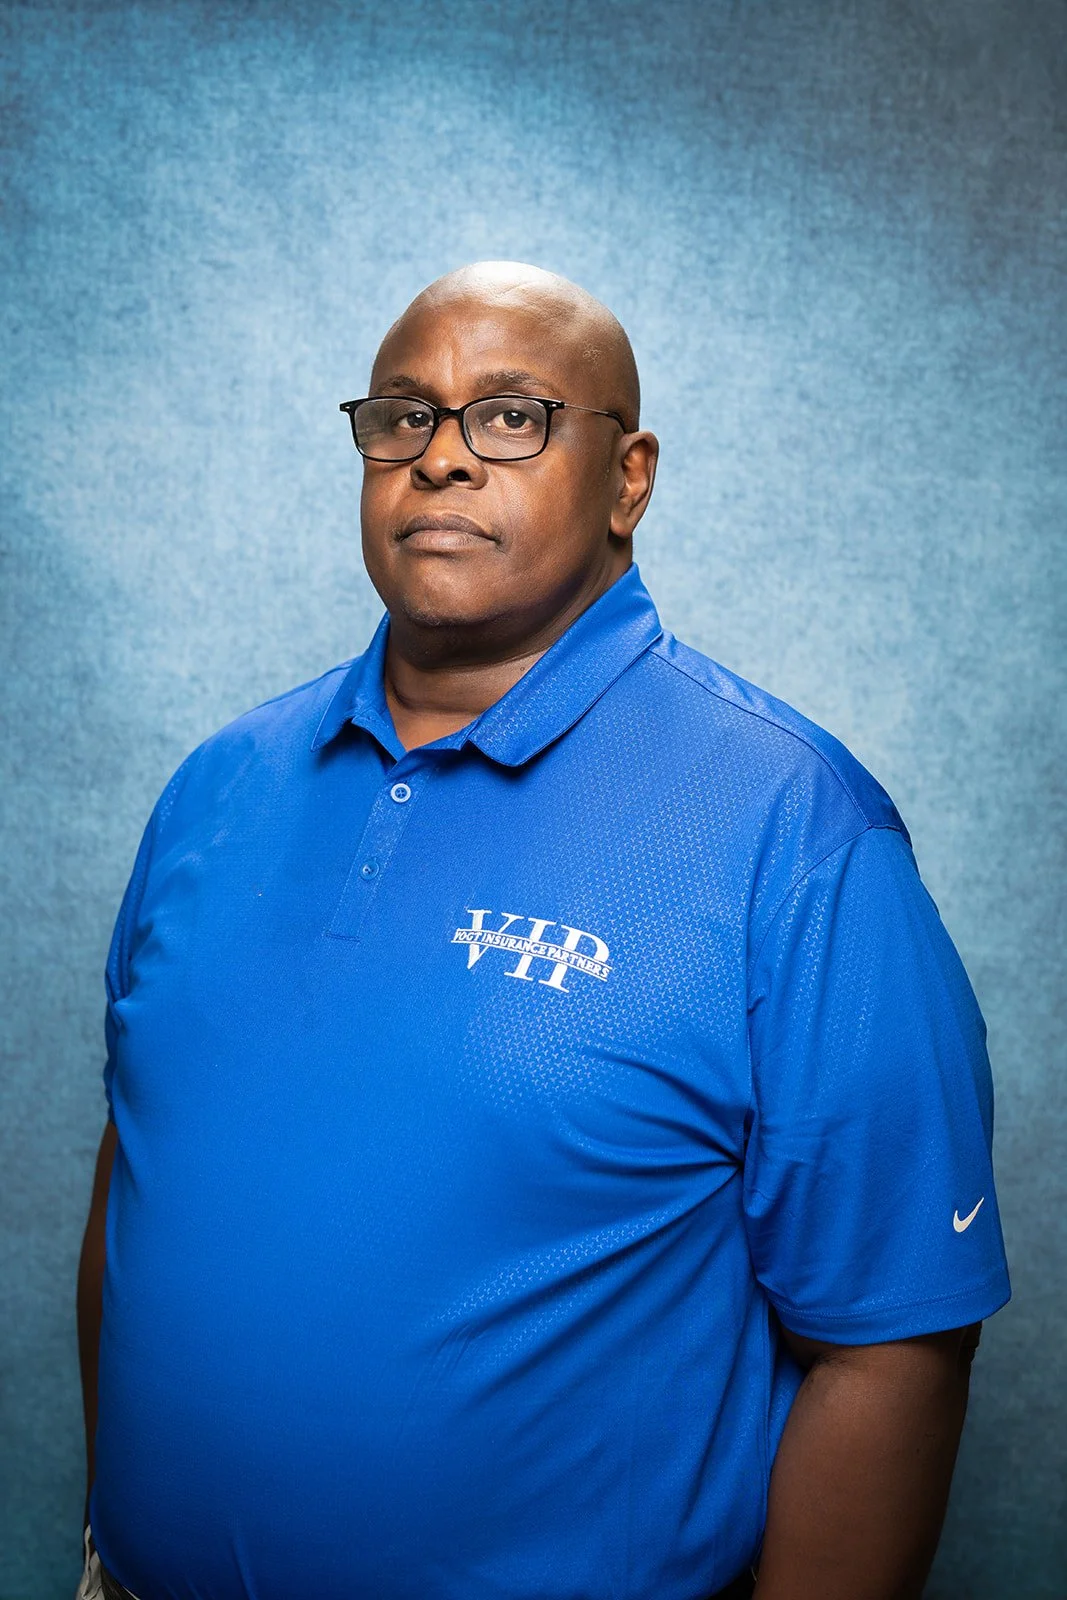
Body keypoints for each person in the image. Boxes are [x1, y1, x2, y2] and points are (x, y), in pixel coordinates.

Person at [77, 261, 1010, 1600]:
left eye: (509, 416)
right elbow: (142, 1170)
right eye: (403, 415)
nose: (441, 461)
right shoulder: (218, 786)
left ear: (628, 477)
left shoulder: (790, 831)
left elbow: (891, 1345)